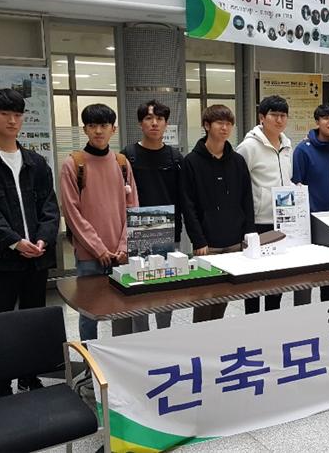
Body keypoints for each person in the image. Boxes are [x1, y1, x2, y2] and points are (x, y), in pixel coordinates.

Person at [0, 88, 59, 398]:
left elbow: (50, 206)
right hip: (0, 259)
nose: (12, 120)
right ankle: (1, 383)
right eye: (5, 114)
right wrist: (15, 242)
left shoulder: (36, 162)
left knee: (34, 320)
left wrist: (43, 238)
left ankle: (29, 377)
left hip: (37, 257)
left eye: (18, 114)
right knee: (0, 321)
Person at [60, 104, 138, 340]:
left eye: (104, 125)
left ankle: (119, 353)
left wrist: (124, 246)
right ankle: (88, 356)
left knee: (123, 307)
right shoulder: (74, 164)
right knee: (89, 310)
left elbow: (133, 208)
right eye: (92, 125)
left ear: (113, 129)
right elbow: (72, 212)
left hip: (121, 254)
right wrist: (98, 248)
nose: (98, 131)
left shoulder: (122, 163)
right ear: (84, 129)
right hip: (89, 255)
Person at [182, 104, 254, 321]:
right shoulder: (191, 162)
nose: (225, 128)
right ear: (207, 125)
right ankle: (200, 337)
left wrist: (248, 235)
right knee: (204, 298)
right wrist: (198, 240)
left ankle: (216, 336)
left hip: (234, 242)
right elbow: (188, 205)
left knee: (224, 295)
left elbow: (247, 200)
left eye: (229, 124)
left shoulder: (238, 161)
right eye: (220, 123)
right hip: (208, 245)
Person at [121, 100, 183, 331]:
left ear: (166, 123)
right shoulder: (127, 156)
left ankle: (164, 335)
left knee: (166, 288)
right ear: (140, 123)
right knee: (140, 288)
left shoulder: (175, 157)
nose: (154, 123)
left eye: (159, 118)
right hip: (137, 229)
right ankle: (141, 337)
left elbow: (182, 197)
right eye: (149, 118)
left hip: (168, 229)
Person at [236, 95, 293, 314]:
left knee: (277, 277)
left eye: (283, 115)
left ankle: (273, 317)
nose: (279, 120)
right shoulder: (248, 147)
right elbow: (240, 186)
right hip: (257, 222)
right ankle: (252, 319)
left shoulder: (287, 145)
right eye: (274, 115)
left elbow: (286, 179)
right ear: (262, 117)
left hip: (282, 221)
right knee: (255, 278)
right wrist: (246, 223)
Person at [292, 103, 329, 301]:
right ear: (317, 122)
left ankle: (327, 309)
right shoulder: (303, 150)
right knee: (306, 275)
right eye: (326, 118)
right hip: (310, 223)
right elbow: (296, 186)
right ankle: (304, 312)